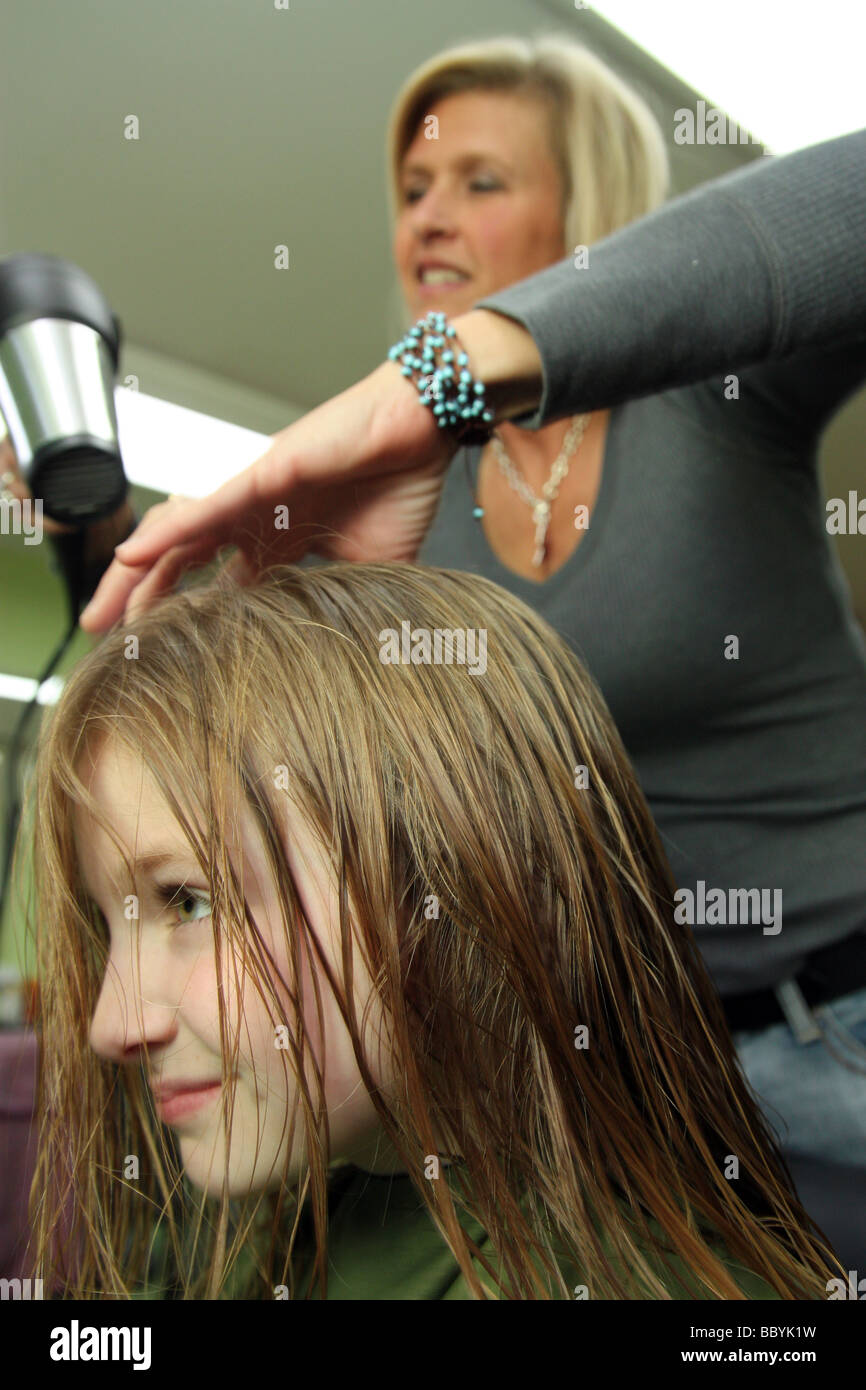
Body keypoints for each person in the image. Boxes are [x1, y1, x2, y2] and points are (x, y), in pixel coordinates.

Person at [75, 40, 866, 1206]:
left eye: (478, 183)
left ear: (587, 206)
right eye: (411, 192)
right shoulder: (405, 502)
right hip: (647, 1067)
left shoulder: (708, 405)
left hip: (843, 1004)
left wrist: (442, 373)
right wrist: (94, 526)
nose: (428, 221)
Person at [25, 561, 841, 1297]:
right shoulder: (267, 1231)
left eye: (188, 900)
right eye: (115, 921)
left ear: (455, 883)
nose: (112, 1026)